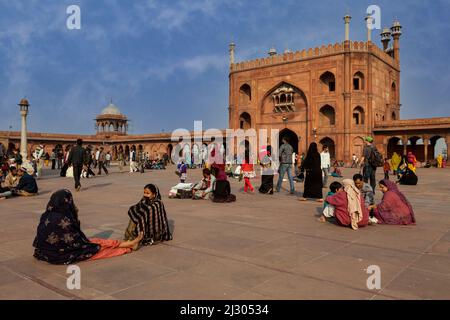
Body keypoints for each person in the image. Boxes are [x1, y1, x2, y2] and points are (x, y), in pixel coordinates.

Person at [33, 189, 142, 265]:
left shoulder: (46, 215)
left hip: (45, 252)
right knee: (97, 250)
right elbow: (77, 240)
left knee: (95, 242)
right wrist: (75, 215)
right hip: (62, 254)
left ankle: (126, 244)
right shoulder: (64, 218)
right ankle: (127, 247)